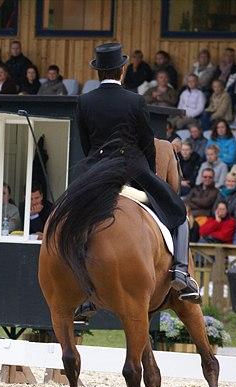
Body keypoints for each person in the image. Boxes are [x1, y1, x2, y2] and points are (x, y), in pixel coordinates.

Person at [77, 43, 199, 300]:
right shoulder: (134, 100)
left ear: (98, 72)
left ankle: (77, 277)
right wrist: (150, 173)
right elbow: (146, 142)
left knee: (68, 212)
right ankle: (180, 271)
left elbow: (86, 144)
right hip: (131, 168)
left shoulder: (85, 101)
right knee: (176, 210)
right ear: (122, 70)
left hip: (96, 170)